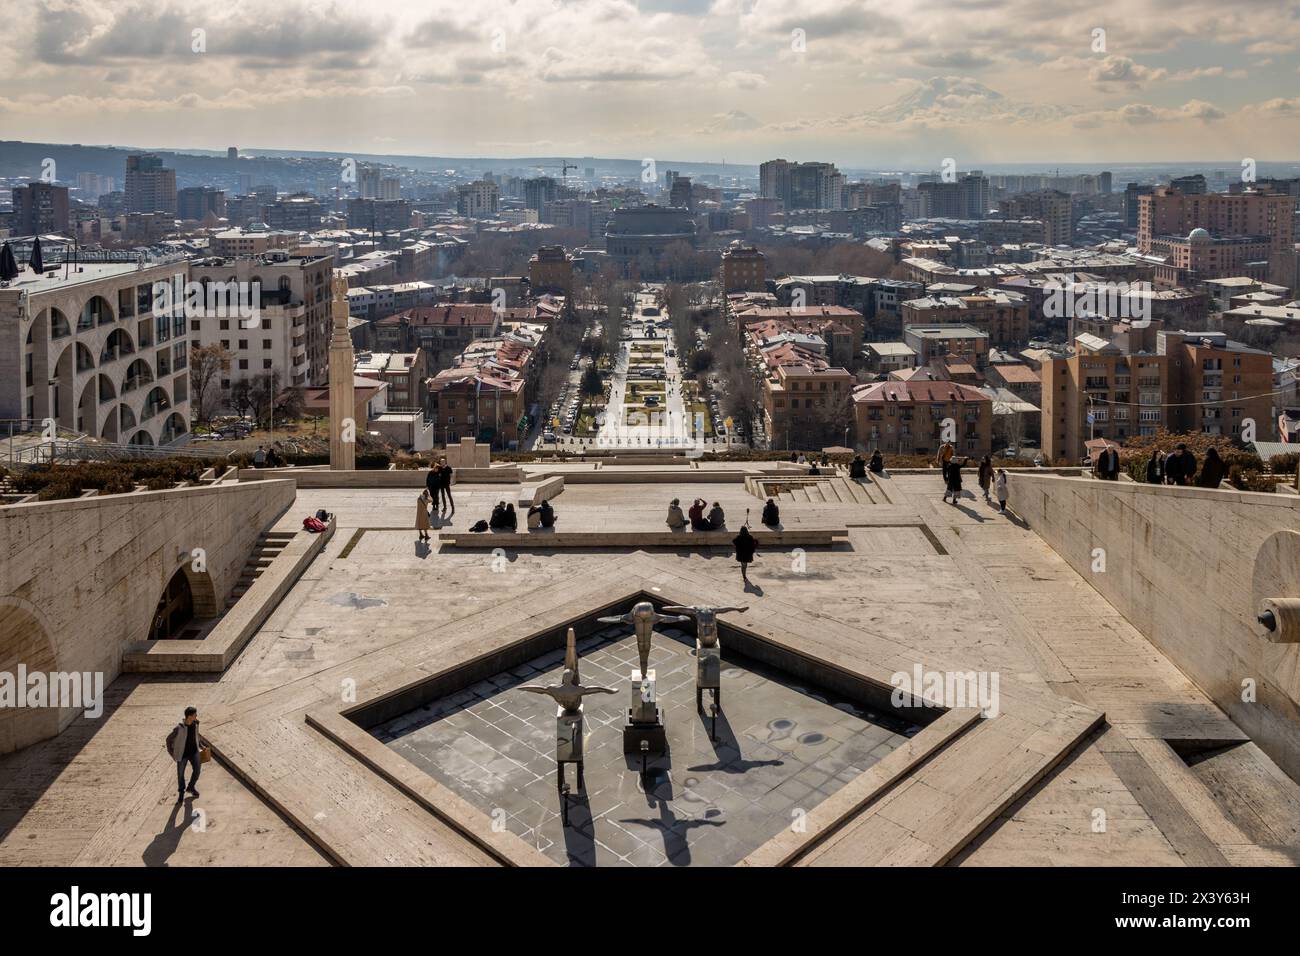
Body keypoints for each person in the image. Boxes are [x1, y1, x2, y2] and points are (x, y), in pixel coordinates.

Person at [167, 706, 203, 801]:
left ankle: (191, 787)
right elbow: (168, 739)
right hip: (182, 754)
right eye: (195, 715)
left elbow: (196, 735)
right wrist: (172, 753)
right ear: (189, 717)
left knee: (197, 770)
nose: (196, 716)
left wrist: (200, 745)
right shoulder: (179, 728)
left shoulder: (196, 724)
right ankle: (181, 792)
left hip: (194, 752)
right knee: (180, 774)